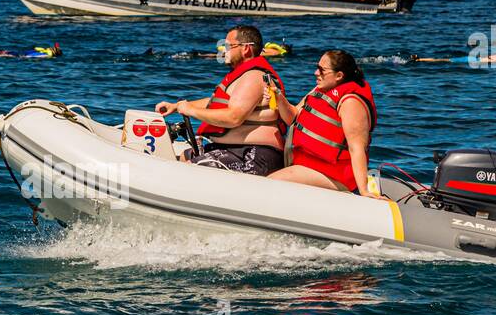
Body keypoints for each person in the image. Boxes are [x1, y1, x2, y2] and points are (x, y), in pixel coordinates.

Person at [154, 24, 288, 176]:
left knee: (187, 171)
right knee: (185, 155)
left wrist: (191, 111)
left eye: (229, 46)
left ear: (246, 48)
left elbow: (234, 117)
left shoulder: (254, 77)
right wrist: (177, 106)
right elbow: (215, 102)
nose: (224, 50)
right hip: (234, 150)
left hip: (254, 155)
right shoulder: (242, 75)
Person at [267, 50, 379, 196]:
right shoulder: (321, 89)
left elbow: (356, 148)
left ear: (339, 75)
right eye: (317, 67)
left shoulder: (350, 102)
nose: (315, 73)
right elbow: (292, 117)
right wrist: (279, 97)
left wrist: (364, 190)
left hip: (336, 174)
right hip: (310, 164)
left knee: (271, 182)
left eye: (322, 70)